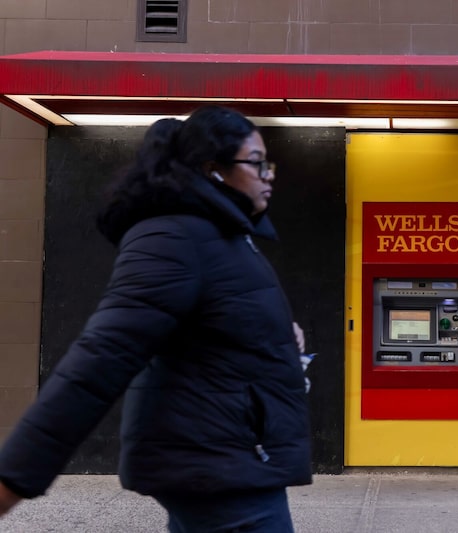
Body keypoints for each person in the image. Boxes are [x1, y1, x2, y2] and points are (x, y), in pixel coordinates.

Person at [0, 106, 312, 531]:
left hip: (229, 458)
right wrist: (12, 479)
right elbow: (100, 360)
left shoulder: (223, 234)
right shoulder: (175, 238)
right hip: (218, 465)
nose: (268, 175)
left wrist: (277, 333)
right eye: (256, 162)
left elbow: (215, 327)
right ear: (213, 170)